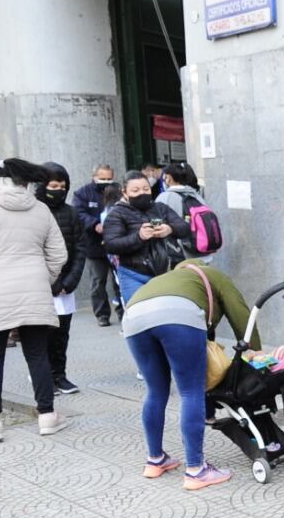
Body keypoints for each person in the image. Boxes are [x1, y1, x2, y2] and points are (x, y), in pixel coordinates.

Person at [123, 260, 260, 490]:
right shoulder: (214, 275)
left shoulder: (169, 279)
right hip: (179, 315)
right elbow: (241, 313)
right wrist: (254, 351)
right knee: (190, 391)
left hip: (133, 316)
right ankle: (196, 470)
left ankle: (155, 460)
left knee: (155, 391)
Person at [0, 158, 68, 442]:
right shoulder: (40, 207)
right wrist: (42, 280)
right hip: (34, 290)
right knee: (37, 354)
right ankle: (47, 415)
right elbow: (59, 254)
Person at [102, 170, 190, 303]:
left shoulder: (160, 208)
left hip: (167, 272)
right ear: (125, 193)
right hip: (134, 274)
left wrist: (170, 229)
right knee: (139, 315)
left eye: (146, 189)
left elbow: (185, 228)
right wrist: (139, 237)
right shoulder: (117, 214)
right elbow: (112, 245)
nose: (142, 193)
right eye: (135, 190)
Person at [38, 162, 87, 394]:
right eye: (53, 185)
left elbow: (80, 248)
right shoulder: (34, 211)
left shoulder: (71, 213)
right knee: (42, 334)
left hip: (66, 285)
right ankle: (43, 375)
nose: (58, 189)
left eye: (62, 186)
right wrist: (51, 282)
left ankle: (60, 374)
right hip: (40, 286)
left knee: (62, 333)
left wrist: (69, 282)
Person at [72, 164, 122, 326]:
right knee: (97, 281)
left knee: (119, 280)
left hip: (116, 244)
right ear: (94, 177)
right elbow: (78, 213)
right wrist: (94, 224)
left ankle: (122, 312)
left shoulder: (118, 191)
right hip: (94, 244)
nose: (106, 182)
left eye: (109, 178)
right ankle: (102, 315)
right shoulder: (83, 193)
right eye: (102, 178)